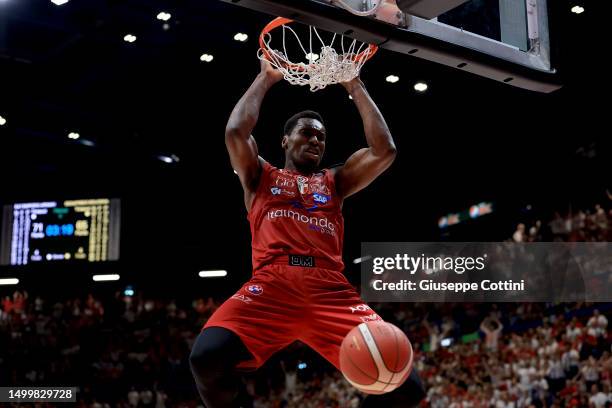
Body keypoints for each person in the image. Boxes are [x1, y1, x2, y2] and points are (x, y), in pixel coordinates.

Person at [189, 59, 425, 407]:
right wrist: (265, 78)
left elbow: (383, 150)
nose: (315, 139)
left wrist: (354, 85)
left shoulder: (336, 181)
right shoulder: (259, 175)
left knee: (407, 386)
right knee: (206, 358)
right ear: (285, 140)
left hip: (330, 290)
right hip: (273, 286)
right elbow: (235, 132)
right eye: (306, 132)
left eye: (321, 136)